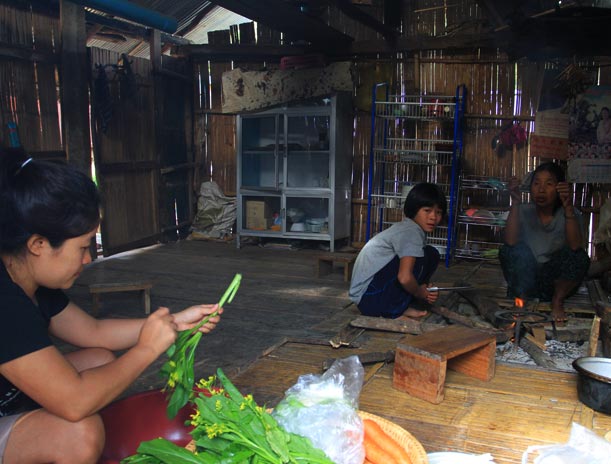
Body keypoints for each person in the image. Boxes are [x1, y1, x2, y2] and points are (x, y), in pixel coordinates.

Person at [0, 149, 223, 463]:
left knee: (99, 360)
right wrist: (146, 350)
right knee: (80, 432)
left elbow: (94, 332)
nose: (88, 259)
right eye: (81, 248)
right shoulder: (6, 304)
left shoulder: (28, 276)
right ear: (38, 245)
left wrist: (175, 322)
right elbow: (75, 402)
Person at [499, 162, 590, 324]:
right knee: (509, 250)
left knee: (580, 257)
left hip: (555, 283)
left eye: (549, 184)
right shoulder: (523, 210)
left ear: (559, 188)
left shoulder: (570, 214)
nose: (541, 189)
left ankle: (557, 301)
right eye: (536, 183)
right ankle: (521, 298)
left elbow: (575, 247)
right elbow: (510, 242)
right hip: (527, 281)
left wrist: (568, 206)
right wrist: (515, 202)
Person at [349, 182, 445, 319]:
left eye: (438, 212)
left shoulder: (411, 229)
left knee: (430, 254)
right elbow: (404, 278)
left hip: (369, 298)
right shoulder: (411, 232)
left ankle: (403, 303)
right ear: (414, 209)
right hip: (370, 299)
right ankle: (395, 308)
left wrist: (426, 290)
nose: (433, 217)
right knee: (420, 259)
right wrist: (419, 292)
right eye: (427, 210)